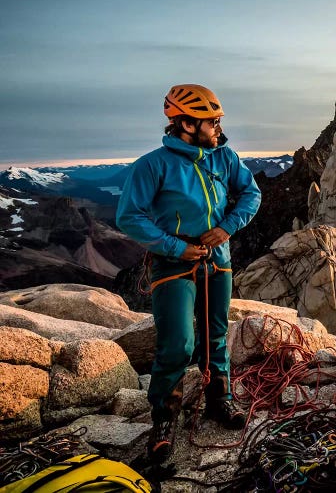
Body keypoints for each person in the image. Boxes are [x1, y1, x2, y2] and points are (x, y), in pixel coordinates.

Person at [116, 84, 261, 463]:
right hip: (174, 262)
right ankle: (163, 420)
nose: (218, 126)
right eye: (210, 121)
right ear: (183, 123)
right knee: (178, 343)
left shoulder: (224, 157)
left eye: (217, 120)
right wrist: (176, 247)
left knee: (215, 336)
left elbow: (251, 194)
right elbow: (128, 216)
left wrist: (227, 227)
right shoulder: (153, 165)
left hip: (218, 258)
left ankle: (220, 400)